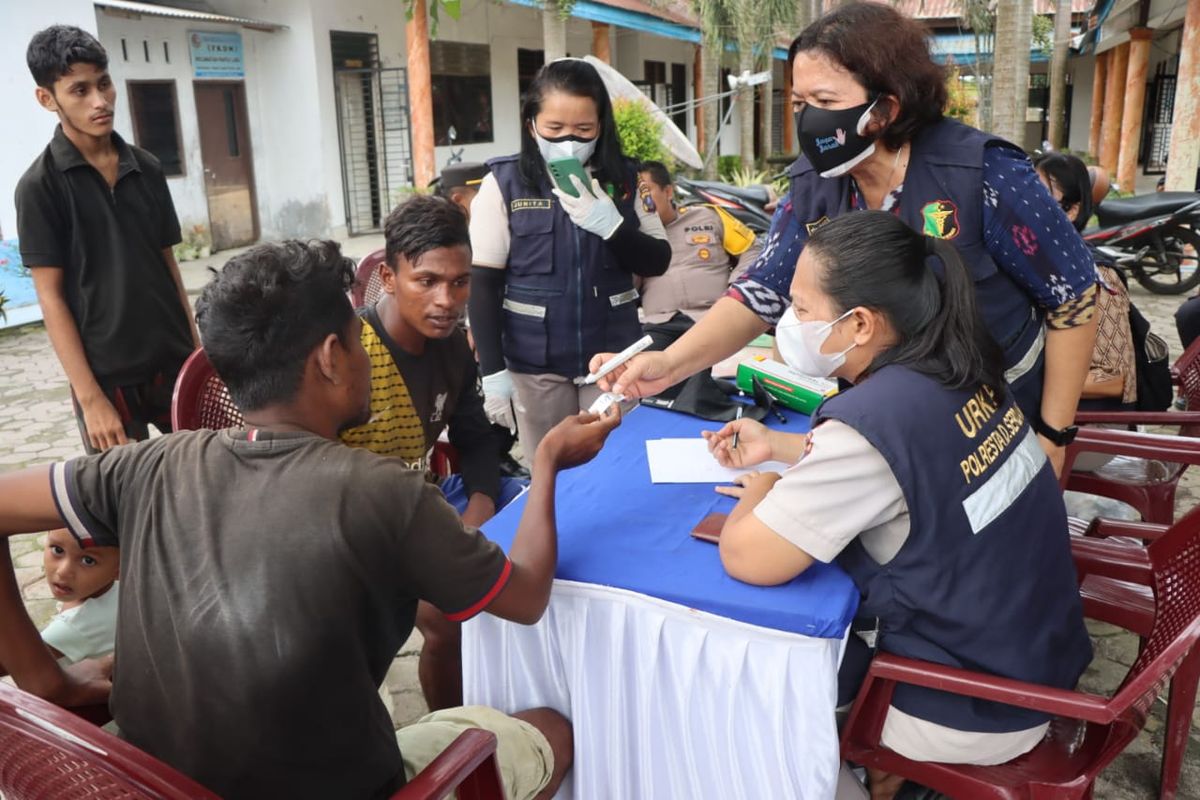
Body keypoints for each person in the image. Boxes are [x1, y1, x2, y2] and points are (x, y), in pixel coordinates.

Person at [0, 239, 621, 800]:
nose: (365, 354)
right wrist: (547, 465)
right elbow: (528, 595)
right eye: (357, 338)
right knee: (549, 731)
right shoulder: (384, 495)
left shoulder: (147, 466)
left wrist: (41, 678)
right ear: (330, 356)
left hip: (152, 784)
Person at [594, 3, 1098, 475]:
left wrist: (1055, 434)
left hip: (996, 413)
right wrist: (670, 363)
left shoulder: (982, 172)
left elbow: (1075, 299)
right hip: (887, 417)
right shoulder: (816, 183)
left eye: (826, 102)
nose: (809, 119)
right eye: (799, 102)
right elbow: (762, 292)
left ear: (886, 107)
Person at [703, 212, 1091, 800]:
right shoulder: (961, 365)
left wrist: (761, 491)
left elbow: (749, 558)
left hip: (966, 702)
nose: (790, 323)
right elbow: (913, 467)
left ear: (859, 323)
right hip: (1035, 658)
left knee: (742, 688)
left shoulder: (873, 421)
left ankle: (862, 780)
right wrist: (784, 448)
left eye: (803, 310)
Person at [341, 195, 525, 711]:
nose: (447, 299)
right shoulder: (350, 353)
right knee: (446, 618)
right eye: (427, 281)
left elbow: (473, 434)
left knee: (535, 513)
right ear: (390, 277)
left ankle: (475, 716)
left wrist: (481, 505)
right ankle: (451, 737)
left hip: (421, 506)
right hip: (354, 527)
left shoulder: (451, 345)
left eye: (460, 281)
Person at [468, 58, 671, 457]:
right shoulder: (503, 184)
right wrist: (492, 371)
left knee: (612, 468)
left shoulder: (629, 181)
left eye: (583, 130)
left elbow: (657, 260)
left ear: (601, 126)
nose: (568, 142)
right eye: (554, 129)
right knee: (550, 471)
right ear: (531, 125)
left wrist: (612, 226)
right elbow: (484, 284)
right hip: (535, 364)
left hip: (613, 360)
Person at [15, 26, 198, 454]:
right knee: (122, 504)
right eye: (79, 90)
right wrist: (90, 398)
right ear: (47, 99)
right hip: (108, 381)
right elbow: (51, 298)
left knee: (204, 482)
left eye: (104, 84)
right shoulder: (39, 187)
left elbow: (169, 266)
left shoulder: (147, 168)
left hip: (173, 365)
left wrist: (195, 357)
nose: (100, 101)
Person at [1034, 153, 1136, 412]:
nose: (1025, 205)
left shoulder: (1098, 276)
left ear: (1071, 210)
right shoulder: (1029, 263)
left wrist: (1026, 382)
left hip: (1092, 432)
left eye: (1039, 196)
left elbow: (1115, 379)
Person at [636, 159, 762, 349]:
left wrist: (735, 289)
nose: (640, 201)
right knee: (642, 368)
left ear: (668, 192)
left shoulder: (708, 216)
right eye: (635, 195)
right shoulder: (633, 237)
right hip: (659, 324)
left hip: (710, 318)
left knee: (695, 365)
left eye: (646, 192)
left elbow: (752, 247)